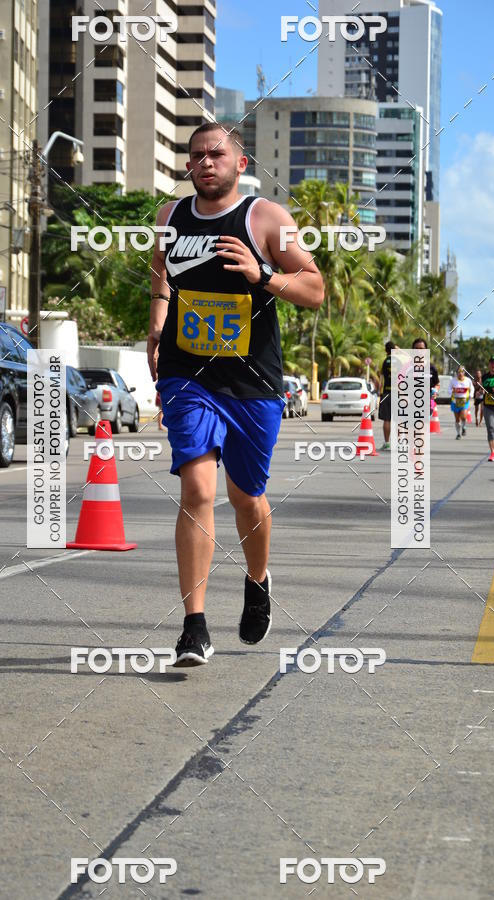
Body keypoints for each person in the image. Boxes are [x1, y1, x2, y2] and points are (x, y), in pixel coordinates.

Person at [147, 122, 324, 666]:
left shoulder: (267, 219)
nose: (206, 163)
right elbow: (160, 276)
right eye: (196, 155)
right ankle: (194, 626)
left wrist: (262, 273)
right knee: (198, 490)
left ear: (239, 164)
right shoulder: (168, 218)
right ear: (187, 165)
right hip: (188, 375)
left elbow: (315, 290)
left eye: (216, 154)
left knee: (247, 496)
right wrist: (156, 331)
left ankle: (257, 578)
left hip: (252, 382)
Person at [378, 340, 397, 450]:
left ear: (386, 350)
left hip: (386, 392)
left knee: (387, 419)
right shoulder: (399, 361)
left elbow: (380, 379)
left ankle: (387, 443)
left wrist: (379, 392)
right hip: (398, 393)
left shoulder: (385, 361)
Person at [449, 366, 472, 439]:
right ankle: (458, 434)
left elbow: (472, 389)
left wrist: (471, 395)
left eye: (462, 372)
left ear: (464, 372)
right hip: (455, 401)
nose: (460, 373)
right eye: (459, 372)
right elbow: (449, 389)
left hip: (464, 400)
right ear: (456, 373)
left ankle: (464, 427)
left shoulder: (468, 380)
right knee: (457, 419)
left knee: (464, 417)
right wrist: (451, 391)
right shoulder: (453, 380)